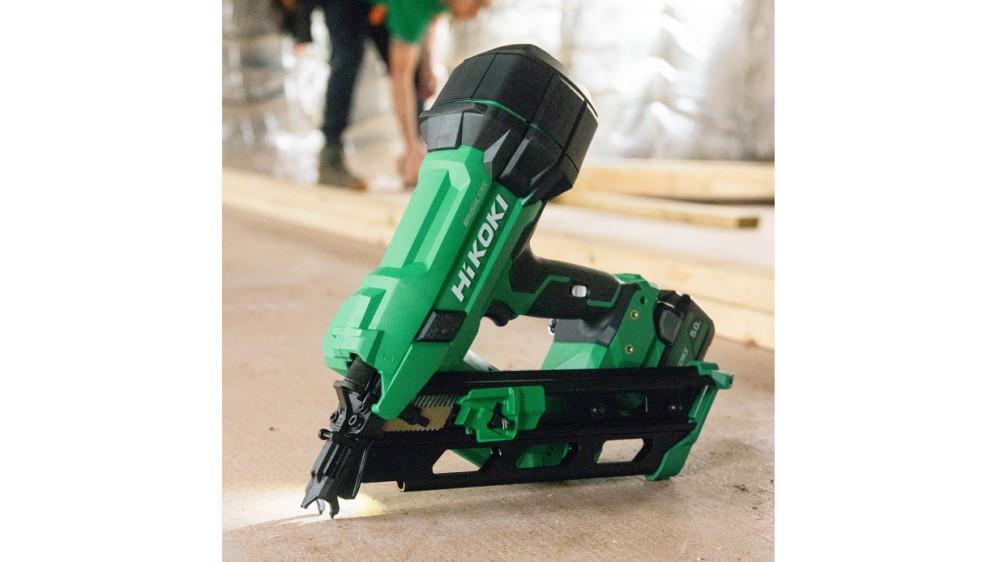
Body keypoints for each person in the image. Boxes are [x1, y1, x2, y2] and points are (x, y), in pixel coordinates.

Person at [277, 0, 490, 189]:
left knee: (417, 77)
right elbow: (400, 75)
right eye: (477, 3)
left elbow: (428, 22)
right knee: (347, 60)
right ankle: (330, 157)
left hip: (377, 5)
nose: (477, 13)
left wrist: (427, 66)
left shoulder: (444, 4)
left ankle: (417, 157)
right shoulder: (413, 4)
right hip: (344, 3)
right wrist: (410, 145)